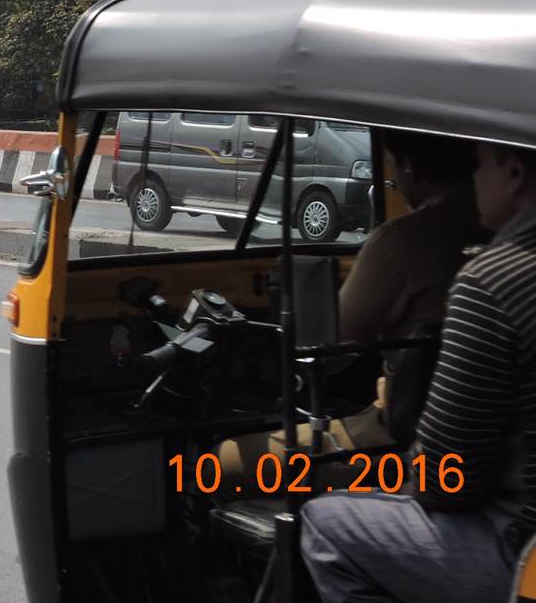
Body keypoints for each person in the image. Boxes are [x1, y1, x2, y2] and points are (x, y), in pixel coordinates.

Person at [300, 141, 536, 603]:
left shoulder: (492, 280)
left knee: (326, 524)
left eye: (481, 164)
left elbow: (446, 480)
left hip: (520, 547)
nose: (473, 179)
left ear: (513, 173)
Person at [216, 132, 484, 486]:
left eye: (393, 170)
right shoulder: (504, 230)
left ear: (409, 167)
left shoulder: (404, 240)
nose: (394, 181)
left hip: (403, 435)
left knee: (217, 464)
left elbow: (332, 349)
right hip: (478, 436)